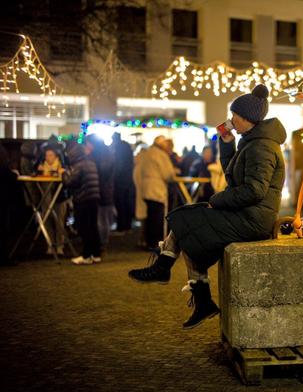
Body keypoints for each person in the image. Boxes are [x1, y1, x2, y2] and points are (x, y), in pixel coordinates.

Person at [128, 85, 286, 329]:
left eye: (235, 115)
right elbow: (234, 178)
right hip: (246, 214)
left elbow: (254, 190)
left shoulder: (261, 146)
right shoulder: (252, 142)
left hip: (252, 220)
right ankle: (195, 296)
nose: (231, 120)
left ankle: (165, 268)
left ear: (247, 118)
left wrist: (217, 201)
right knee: (192, 229)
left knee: (190, 220)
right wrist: (226, 144)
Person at [60, 143, 101, 265]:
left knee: (84, 228)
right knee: (93, 227)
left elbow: (70, 182)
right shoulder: (91, 162)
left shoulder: (79, 165)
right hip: (94, 197)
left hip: (83, 198)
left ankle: (86, 255)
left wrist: (63, 173)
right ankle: (96, 254)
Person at [137, 136, 177, 250]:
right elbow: (168, 174)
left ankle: (149, 242)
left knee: (150, 217)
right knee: (158, 219)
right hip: (157, 190)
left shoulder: (148, 153)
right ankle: (157, 243)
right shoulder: (161, 155)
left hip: (147, 189)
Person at [86, 134, 115, 252]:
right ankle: (103, 241)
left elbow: (102, 173)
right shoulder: (107, 153)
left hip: (101, 190)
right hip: (106, 190)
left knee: (101, 218)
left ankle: (102, 242)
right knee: (103, 218)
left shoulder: (97, 156)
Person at [37, 147, 67, 256]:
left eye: (50, 155)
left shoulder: (62, 167)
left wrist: (62, 173)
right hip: (46, 199)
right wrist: (39, 171)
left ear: (56, 156)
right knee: (47, 221)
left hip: (59, 198)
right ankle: (50, 245)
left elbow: (68, 181)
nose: (48, 158)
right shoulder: (40, 167)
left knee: (59, 222)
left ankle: (60, 245)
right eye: (46, 155)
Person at [0, 144, 20, 265]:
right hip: (2, 201)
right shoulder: (3, 166)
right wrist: (14, 174)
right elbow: (8, 176)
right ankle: (3, 258)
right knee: (2, 229)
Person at [111, 132, 135, 234]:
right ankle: (127, 225)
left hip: (121, 181)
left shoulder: (119, 149)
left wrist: (114, 177)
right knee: (126, 203)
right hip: (128, 179)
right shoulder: (126, 147)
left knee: (121, 204)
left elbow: (119, 166)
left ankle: (121, 226)